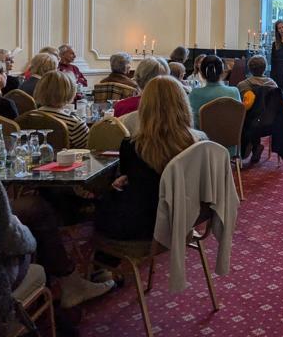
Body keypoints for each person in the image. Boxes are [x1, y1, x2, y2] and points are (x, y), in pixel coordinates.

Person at [0, 82, 113, 308]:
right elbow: (5, 233)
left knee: (34, 207)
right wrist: (30, 242)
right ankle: (70, 279)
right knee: (35, 216)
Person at [95, 76, 207, 241]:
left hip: (147, 225)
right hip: (188, 217)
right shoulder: (200, 141)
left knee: (102, 203)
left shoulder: (133, 146)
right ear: (183, 104)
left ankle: (103, 261)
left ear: (145, 106)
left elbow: (136, 179)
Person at [237, 55, 278, 161]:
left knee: (246, 117)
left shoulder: (243, 85)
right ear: (265, 68)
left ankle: (248, 149)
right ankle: (255, 147)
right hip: (270, 124)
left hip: (248, 125)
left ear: (249, 69)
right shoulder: (273, 84)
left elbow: (240, 107)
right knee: (258, 117)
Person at [34, 71, 89, 148]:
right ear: (70, 92)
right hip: (65, 160)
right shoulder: (74, 123)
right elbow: (89, 151)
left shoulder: (26, 118)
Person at [188, 55, 241, 131]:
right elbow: (238, 119)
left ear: (202, 74)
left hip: (203, 140)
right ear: (222, 72)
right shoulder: (234, 92)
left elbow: (191, 122)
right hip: (230, 140)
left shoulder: (195, 94)